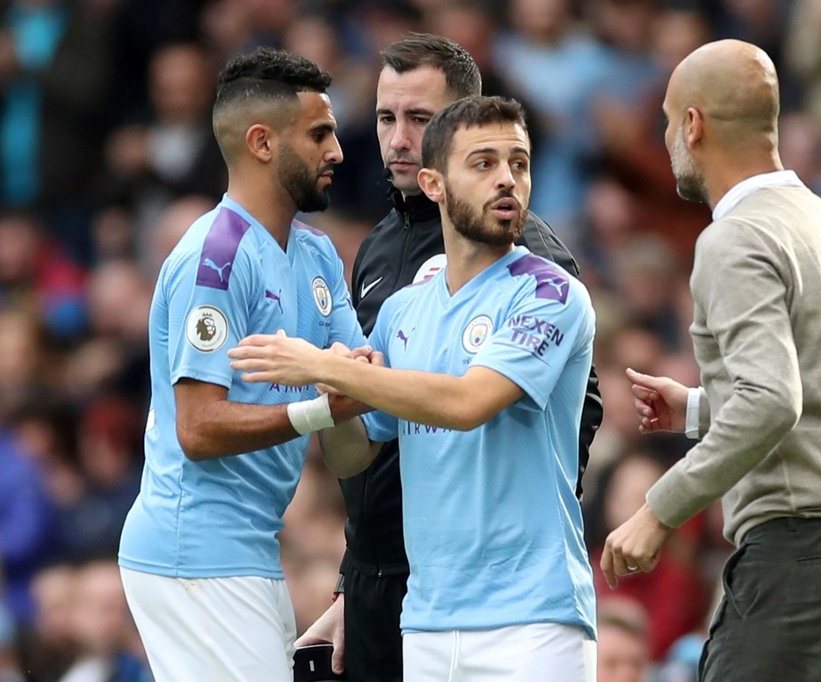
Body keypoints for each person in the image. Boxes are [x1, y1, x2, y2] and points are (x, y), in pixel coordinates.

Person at [231, 95, 598, 681]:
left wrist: (329, 370)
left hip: (532, 621)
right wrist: (341, 406)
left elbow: (468, 403)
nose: (507, 178)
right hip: (425, 622)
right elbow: (355, 456)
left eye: (519, 163)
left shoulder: (549, 292)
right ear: (433, 184)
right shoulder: (403, 311)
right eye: (483, 164)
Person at [599, 39, 821, 681]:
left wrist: (657, 509)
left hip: (806, 562)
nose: (666, 139)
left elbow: (773, 401)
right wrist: (695, 409)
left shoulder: (734, 237)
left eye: (667, 121)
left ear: (693, 125)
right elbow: (819, 392)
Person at [117, 47, 375, 682]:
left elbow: (351, 450)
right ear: (262, 143)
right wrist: (323, 402)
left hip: (250, 547)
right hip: (192, 548)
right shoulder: (217, 254)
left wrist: (345, 396)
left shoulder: (316, 256)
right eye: (320, 134)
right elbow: (198, 429)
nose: (337, 151)